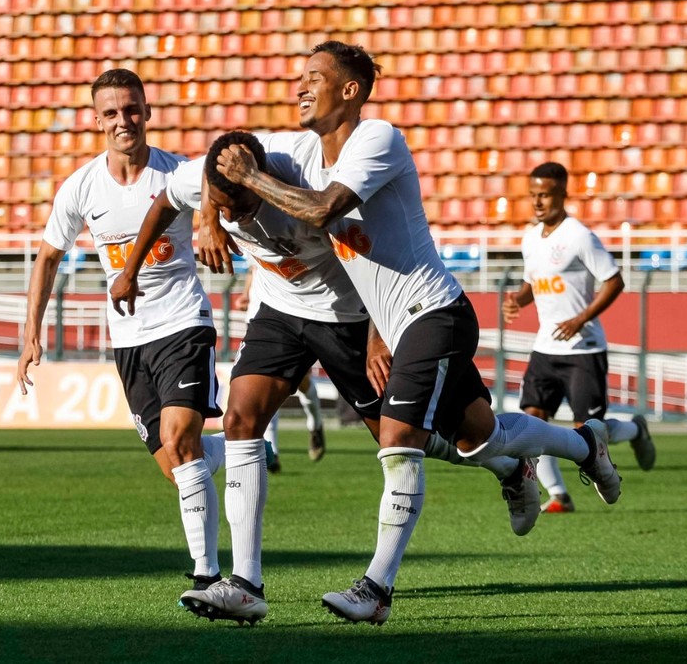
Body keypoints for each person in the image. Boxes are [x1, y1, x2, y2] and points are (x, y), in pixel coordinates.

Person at [193, 41, 622, 626]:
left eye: (314, 77)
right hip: (385, 322)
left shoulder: (379, 138)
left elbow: (321, 210)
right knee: (478, 435)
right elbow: (217, 160)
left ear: (351, 91)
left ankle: (376, 590)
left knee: (399, 442)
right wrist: (208, 210)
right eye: (299, 77)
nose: (300, 86)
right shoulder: (295, 152)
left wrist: (252, 179)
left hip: (433, 312)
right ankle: (583, 444)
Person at [111, 130, 540, 624]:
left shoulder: (309, 178)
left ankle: (507, 466)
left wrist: (381, 331)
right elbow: (169, 197)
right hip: (279, 311)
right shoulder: (212, 184)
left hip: (349, 316)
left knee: (403, 438)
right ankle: (246, 583)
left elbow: (378, 250)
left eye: (239, 205)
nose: (233, 217)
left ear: (265, 182)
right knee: (240, 418)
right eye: (222, 206)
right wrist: (140, 263)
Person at [16, 69, 227, 604]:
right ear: (96, 120)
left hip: (182, 322)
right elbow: (47, 257)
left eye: (131, 109)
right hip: (128, 341)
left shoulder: (177, 173)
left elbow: (215, 188)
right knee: (176, 463)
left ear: (147, 111)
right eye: (110, 113)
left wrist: (209, 221)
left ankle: (206, 575)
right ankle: (243, 445)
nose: (123, 121)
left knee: (180, 441)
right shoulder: (82, 187)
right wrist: (31, 334)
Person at [502, 162, 656, 514]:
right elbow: (533, 284)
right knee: (531, 425)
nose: (538, 202)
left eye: (544, 195)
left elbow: (614, 280)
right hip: (545, 347)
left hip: (583, 348)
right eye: (533, 196)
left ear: (562, 194)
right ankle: (559, 495)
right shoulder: (530, 238)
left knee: (590, 430)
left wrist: (580, 318)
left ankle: (635, 429)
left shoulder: (578, 236)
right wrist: (517, 301)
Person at [236, 259, 326, 471]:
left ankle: (315, 424)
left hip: (290, 309)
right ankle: (272, 452)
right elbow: (253, 267)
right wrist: (246, 293)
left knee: (302, 382)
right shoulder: (251, 229)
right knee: (264, 383)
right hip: (259, 316)